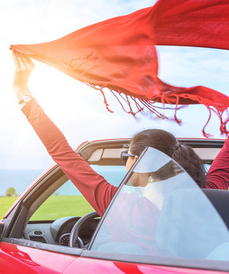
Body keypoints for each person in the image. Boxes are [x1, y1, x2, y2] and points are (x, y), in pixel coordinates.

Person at [12, 50, 229, 216]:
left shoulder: (120, 206)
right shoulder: (212, 191)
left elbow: (62, 152)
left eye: (126, 156)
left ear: (138, 163)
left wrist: (22, 91)